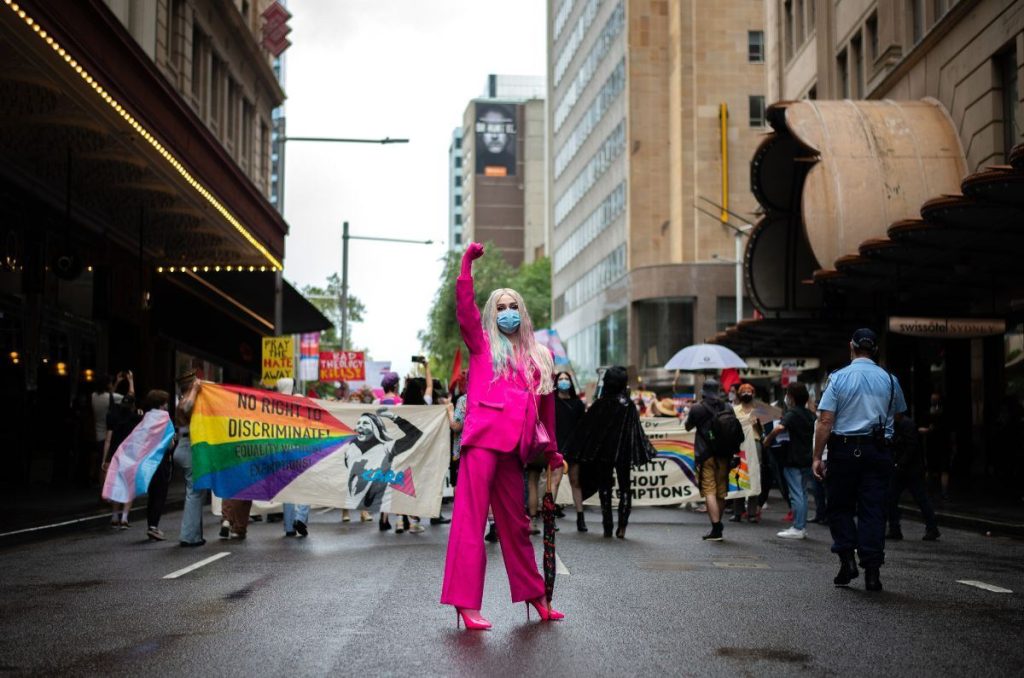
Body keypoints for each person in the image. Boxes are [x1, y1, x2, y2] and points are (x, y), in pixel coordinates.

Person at [440, 242, 565, 630]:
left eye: (514, 306)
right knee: (469, 522)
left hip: (515, 450)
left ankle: (536, 597)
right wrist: (465, 266)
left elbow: (547, 412)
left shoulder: (538, 356)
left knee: (517, 526)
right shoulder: (480, 346)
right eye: (500, 307)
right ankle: (465, 604)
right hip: (481, 445)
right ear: (491, 314)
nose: (508, 312)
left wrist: (553, 455)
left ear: (522, 313)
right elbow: (463, 310)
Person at [813, 328, 906, 592]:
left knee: (839, 507)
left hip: (844, 451)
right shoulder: (890, 379)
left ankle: (847, 560)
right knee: (873, 510)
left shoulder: (838, 378)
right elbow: (898, 415)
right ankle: (872, 572)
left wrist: (818, 456)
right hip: (878, 451)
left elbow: (825, 420)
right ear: (875, 350)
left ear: (851, 347)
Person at [565, 366, 655, 538]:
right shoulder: (628, 405)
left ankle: (607, 525)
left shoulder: (600, 404)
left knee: (605, 486)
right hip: (623, 451)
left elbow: (587, 429)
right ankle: (622, 526)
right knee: (625, 486)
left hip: (603, 452)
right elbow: (634, 430)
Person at [764, 383, 817, 539]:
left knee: (796, 494)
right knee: (802, 493)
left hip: (793, 459)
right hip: (807, 458)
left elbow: (779, 428)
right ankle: (800, 526)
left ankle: (798, 527)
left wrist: (768, 440)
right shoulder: (810, 414)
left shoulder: (792, 414)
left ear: (791, 397)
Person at [685, 378, 732, 541]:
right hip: (725, 454)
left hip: (705, 454)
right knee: (721, 491)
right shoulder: (728, 407)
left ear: (703, 392)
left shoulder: (697, 408)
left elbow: (688, 426)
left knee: (709, 491)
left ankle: (716, 527)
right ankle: (718, 524)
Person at [887, 411, 940, 541]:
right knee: (891, 498)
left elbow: (911, 447)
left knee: (920, 499)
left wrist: (900, 463)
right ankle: (895, 529)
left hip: (911, 470)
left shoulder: (906, 424)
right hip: (903, 469)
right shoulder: (898, 424)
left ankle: (932, 528)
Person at [172, 370, 205, 547]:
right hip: (187, 448)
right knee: (194, 493)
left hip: (187, 447)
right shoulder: (185, 401)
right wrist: (195, 389)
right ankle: (189, 536)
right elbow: (186, 407)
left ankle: (195, 534)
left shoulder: (188, 399)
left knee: (196, 491)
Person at [276, 378, 312, 538]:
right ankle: (300, 517)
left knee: (287, 488)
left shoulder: (272, 404)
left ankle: (289, 526)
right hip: (300, 449)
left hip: (281, 450)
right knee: (305, 485)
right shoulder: (299, 401)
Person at [101, 392, 142, 528]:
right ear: (133, 406)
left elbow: (108, 440)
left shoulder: (114, 418)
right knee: (128, 485)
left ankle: (114, 516)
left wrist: (105, 459)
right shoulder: (136, 418)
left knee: (116, 485)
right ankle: (125, 517)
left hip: (115, 454)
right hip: (131, 455)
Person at [554, 371, 587, 531]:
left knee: (576, 482)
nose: (564, 381)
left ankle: (581, 518)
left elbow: (583, 427)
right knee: (555, 481)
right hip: (557, 448)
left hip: (574, 449)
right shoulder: (552, 403)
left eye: (566, 379)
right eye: (561, 379)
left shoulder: (578, 404)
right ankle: (550, 517)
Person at [140, 389, 174, 541]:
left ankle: (151, 525)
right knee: (160, 494)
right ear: (161, 404)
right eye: (165, 402)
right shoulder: (164, 419)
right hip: (161, 461)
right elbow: (170, 444)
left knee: (152, 494)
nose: (167, 405)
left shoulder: (146, 418)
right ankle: (153, 526)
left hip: (147, 461)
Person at [731, 383, 763, 523]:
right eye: (743, 392)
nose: (746, 394)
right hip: (739, 444)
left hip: (755, 444)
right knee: (738, 474)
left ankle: (751, 512)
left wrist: (757, 424)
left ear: (753, 393)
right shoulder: (735, 410)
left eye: (748, 391)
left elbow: (762, 432)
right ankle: (737, 512)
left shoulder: (758, 410)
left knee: (754, 474)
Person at [92, 372, 131, 485]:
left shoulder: (94, 396)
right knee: (110, 465)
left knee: (102, 464)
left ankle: (101, 492)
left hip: (98, 434)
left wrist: (117, 383)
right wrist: (130, 381)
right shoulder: (114, 397)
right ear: (107, 384)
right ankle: (107, 491)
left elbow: (109, 398)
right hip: (109, 435)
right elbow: (129, 397)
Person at [923, 392, 954, 500]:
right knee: (932, 469)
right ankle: (931, 491)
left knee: (941, 469)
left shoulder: (943, 413)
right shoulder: (929, 413)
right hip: (934, 444)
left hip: (941, 443)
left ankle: (940, 492)